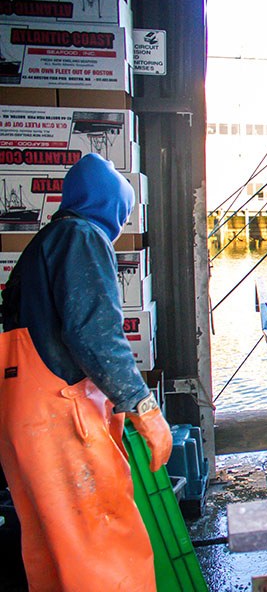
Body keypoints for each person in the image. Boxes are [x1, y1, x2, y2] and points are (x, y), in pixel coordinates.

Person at [0, 154, 172, 591]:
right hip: (58, 422)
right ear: (112, 206)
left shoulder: (45, 244)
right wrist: (143, 406)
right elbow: (94, 332)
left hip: (26, 419)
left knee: (54, 548)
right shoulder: (82, 235)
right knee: (101, 540)